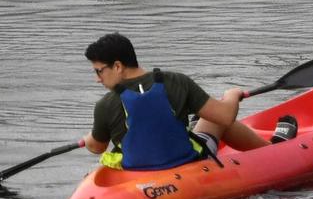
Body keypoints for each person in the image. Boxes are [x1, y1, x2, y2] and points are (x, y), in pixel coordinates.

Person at [79, 34, 288, 170]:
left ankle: (273, 152)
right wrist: (232, 95)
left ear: (117, 66)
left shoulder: (105, 105)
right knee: (215, 115)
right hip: (185, 164)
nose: (98, 78)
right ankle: (273, 151)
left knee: (204, 118)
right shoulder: (176, 81)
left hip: (137, 173)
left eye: (99, 71)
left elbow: (97, 147)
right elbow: (225, 117)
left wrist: (90, 139)